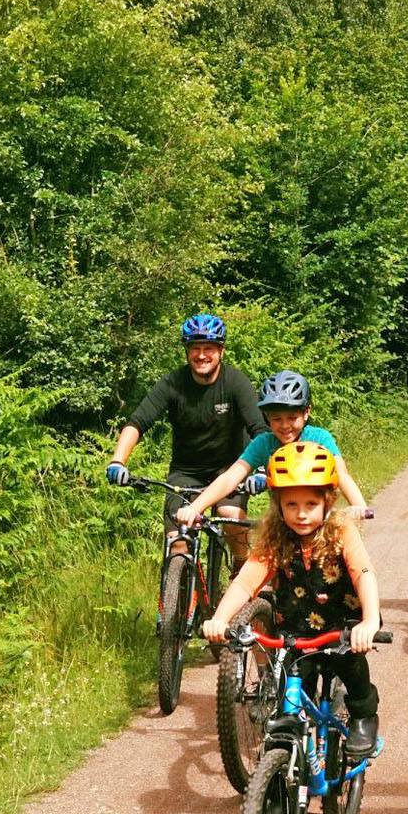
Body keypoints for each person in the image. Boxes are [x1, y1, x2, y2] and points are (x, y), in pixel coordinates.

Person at [203, 441, 384, 757]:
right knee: (290, 693)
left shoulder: (342, 531)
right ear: (278, 504)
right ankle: (278, 780)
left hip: (343, 626)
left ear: (328, 500)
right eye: (291, 505)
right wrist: (221, 618)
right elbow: (246, 582)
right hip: (296, 630)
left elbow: (363, 573)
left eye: (311, 504)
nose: (301, 514)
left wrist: (369, 621)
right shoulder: (275, 537)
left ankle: (364, 716)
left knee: (351, 666)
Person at [106, 313, 265, 558]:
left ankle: (242, 576)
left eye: (208, 348)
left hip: (230, 470)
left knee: (233, 519)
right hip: (185, 474)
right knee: (177, 541)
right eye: (195, 348)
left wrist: (263, 470)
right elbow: (137, 423)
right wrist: (118, 461)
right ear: (187, 351)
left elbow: (260, 430)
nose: (201, 355)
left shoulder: (235, 382)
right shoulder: (173, 383)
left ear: (220, 350)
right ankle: (180, 593)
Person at [174, 370, 368, 527]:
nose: (284, 425)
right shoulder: (264, 443)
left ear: (306, 412)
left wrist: (359, 506)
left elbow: (342, 475)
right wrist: (195, 508)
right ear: (266, 417)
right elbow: (230, 478)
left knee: (349, 561)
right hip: (284, 520)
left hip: (319, 517)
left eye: (292, 418)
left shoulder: (320, 438)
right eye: (276, 419)